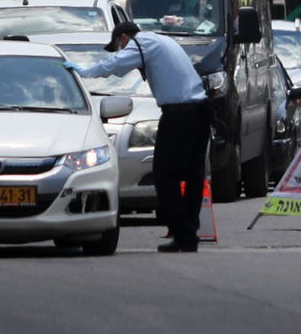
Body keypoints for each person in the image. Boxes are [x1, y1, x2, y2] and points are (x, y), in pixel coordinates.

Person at [75, 20, 210, 253]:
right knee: (193, 175)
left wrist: (84, 72)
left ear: (124, 38)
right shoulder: (162, 40)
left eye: (119, 46)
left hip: (179, 114)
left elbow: (114, 65)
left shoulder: (141, 42)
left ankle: (184, 233)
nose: (120, 51)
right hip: (200, 109)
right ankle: (189, 233)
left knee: (165, 176)